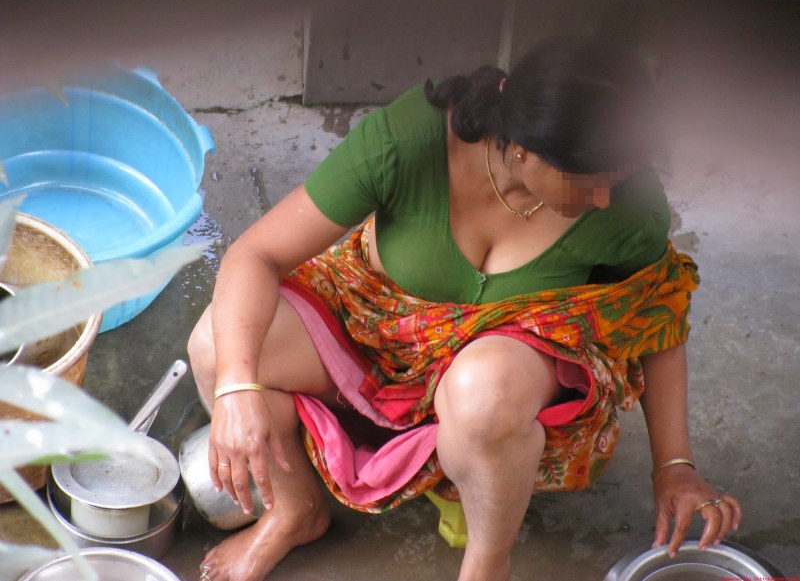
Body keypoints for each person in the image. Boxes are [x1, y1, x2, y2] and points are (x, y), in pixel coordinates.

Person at [188, 35, 742, 581]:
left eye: (615, 181)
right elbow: (257, 255)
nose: (603, 199)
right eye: (588, 181)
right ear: (524, 145)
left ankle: (486, 564)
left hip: (499, 387)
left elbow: (659, 316)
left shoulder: (626, 204)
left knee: (484, 389)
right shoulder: (412, 139)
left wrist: (675, 467)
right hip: (373, 334)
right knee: (220, 344)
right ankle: (295, 510)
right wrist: (236, 387)